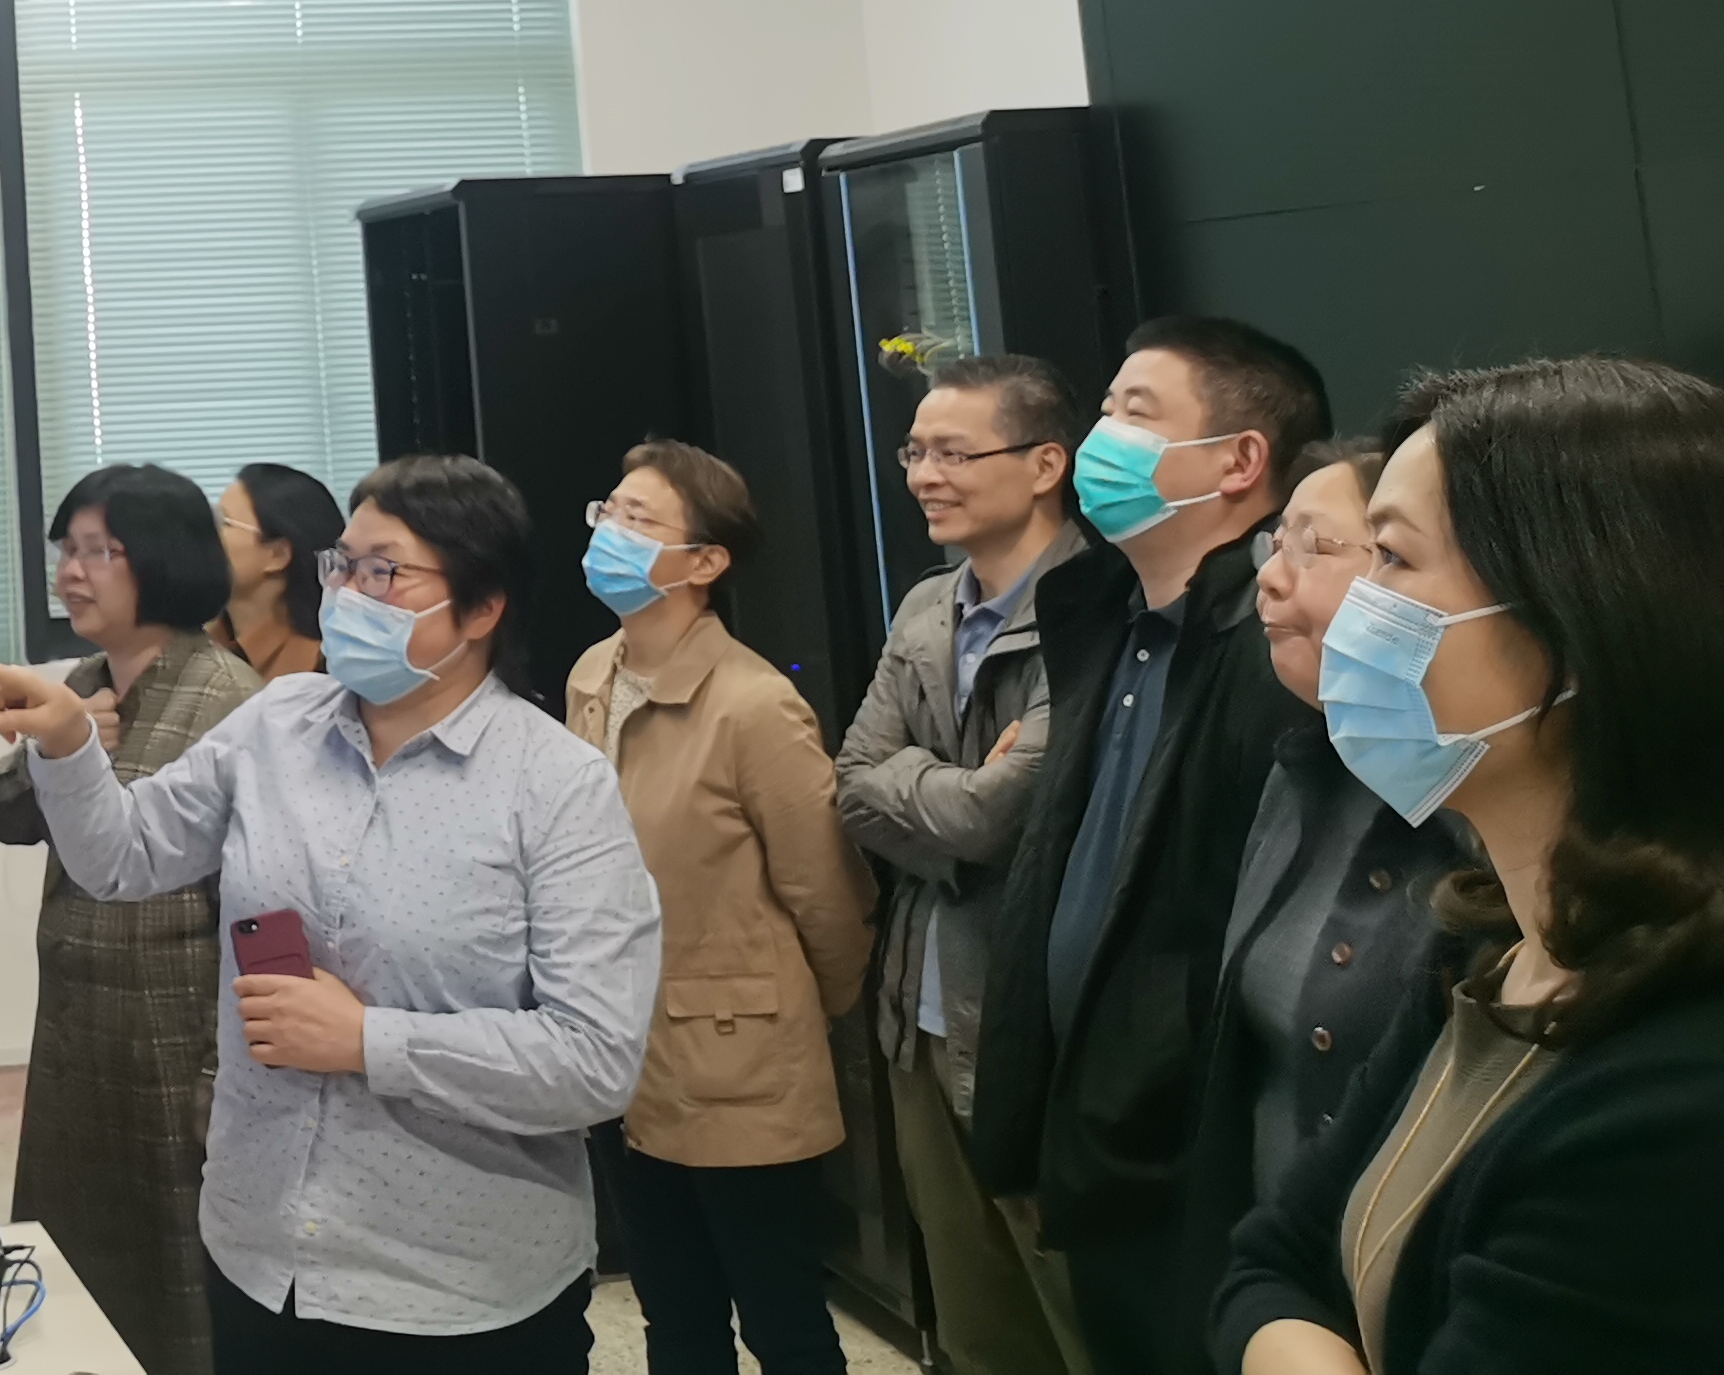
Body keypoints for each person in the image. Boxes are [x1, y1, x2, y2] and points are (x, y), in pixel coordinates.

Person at [0, 454, 661, 1375]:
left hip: (457, 1289)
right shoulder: (279, 723)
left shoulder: (556, 786)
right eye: (343, 565)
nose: (348, 593)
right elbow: (123, 858)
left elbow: (595, 1060)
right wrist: (66, 745)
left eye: (386, 572)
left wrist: (369, 1040)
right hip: (260, 1256)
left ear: (482, 608)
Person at [1212, 357, 1724, 1372]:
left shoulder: (1680, 1097)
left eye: (1393, 560)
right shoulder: (1490, 952)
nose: (1355, 607)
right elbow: (1269, 1262)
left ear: (1582, 621)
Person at [972, 315, 1327, 1375]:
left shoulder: (1276, 655)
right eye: (1104, 408)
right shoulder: (1104, 618)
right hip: (1094, 1138)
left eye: (1136, 411)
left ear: (1239, 460)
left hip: (1202, 1157)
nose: (1100, 439)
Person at [562, 441, 873, 1375]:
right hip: (624, 1049)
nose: (610, 533)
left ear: (705, 562)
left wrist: (799, 1010)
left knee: (784, 1323)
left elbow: (826, 896)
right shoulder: (592, 674)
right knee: (676, 1318)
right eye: (607, 511)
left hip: (743, 1060)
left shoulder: (754, 704)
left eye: (639, 520)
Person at [1169, 434, 1471, 1352]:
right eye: (1276, 545)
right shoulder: (1307, 766)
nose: (1269, 577)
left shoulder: (1485, 827)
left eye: (1317, 546)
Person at [836, 354, 1093, 1375]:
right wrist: (951, 796)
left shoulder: (1096, 607)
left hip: (1037, 1018)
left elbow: (997, 818)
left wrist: (926, 794)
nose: (924, 476)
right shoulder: (925, 607)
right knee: (977, 1326)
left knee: (1075, 1311)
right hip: (918, 1015)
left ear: (1044, 465)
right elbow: (850, 784)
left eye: (952, 452)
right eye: (914, 452)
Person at [0, 465, 262, 1375]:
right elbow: (0, 812)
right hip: (79, 1038)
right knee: (75, 1282)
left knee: (177, 1302)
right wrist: (58, 750)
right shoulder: (87, 681)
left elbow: (263, 908)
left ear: (165, 560)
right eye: (67, 549)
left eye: (99, 551)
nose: (71, 570)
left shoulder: (228, 698)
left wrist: (223, 1082)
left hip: (179, 1054)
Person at [216, 464, 345, 680]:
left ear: (277, 555)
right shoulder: (185, 646)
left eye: (223, 521)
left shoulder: (325, 672)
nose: (203, 533)